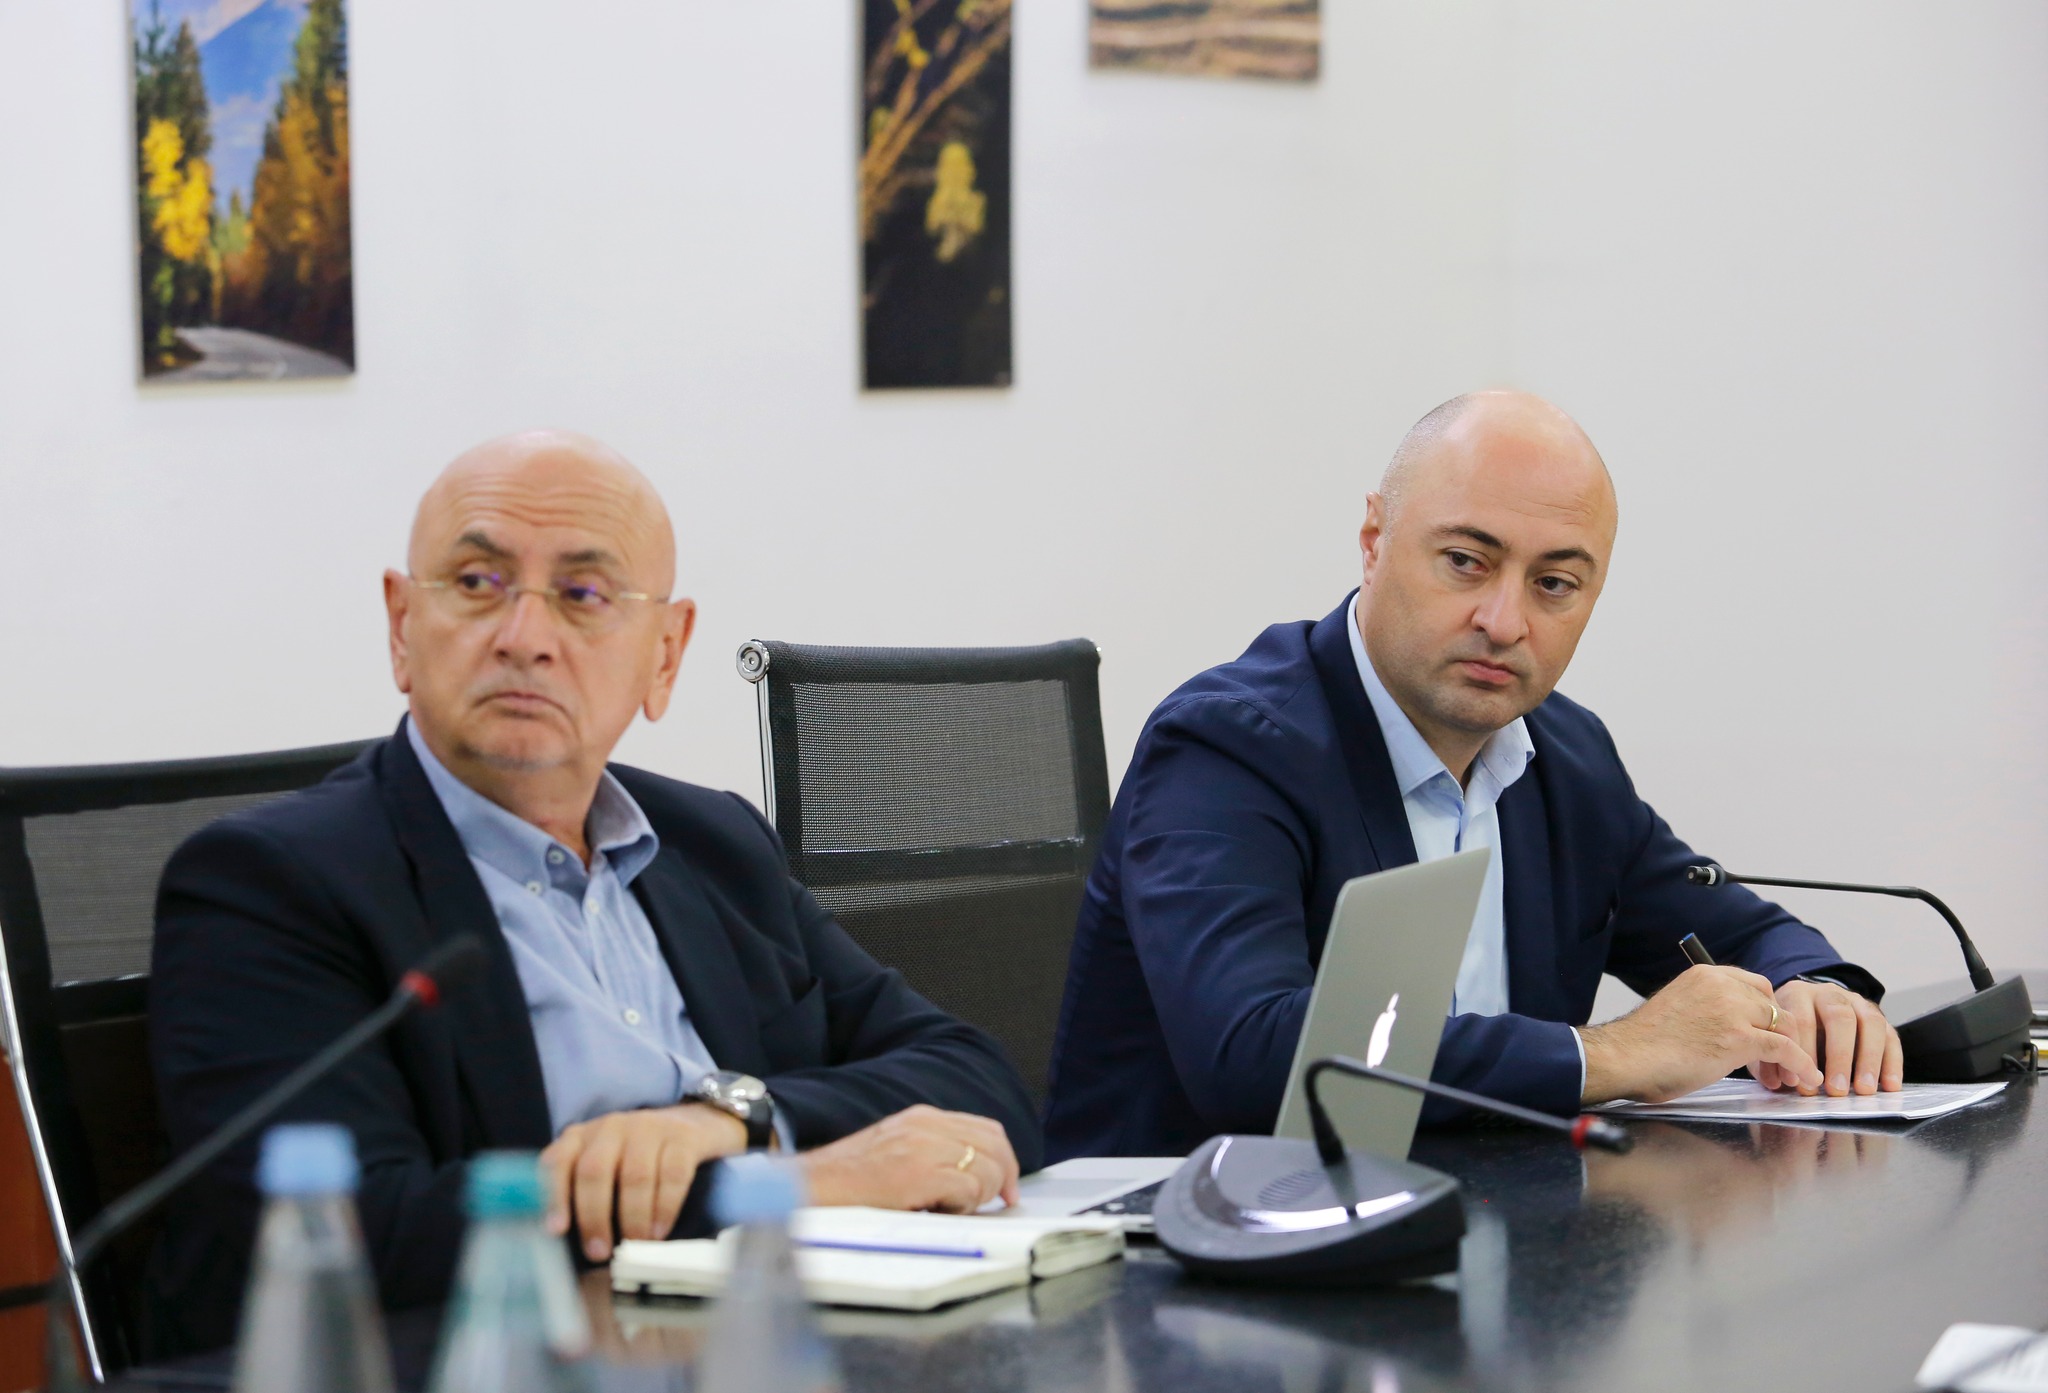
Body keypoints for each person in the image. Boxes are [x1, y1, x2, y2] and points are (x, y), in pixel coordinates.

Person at [148, 431, 1042, 1354]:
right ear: (400, 626)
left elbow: (978, 1079)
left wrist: (730, 1122)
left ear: (665, 654)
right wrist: (795, 1184)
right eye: (477, 582)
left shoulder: (714, 843)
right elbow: (364, 1234)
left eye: (583, 595)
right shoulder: (269, 883)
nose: (524, 639)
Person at [1041, 391, 1903, 1161]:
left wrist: (1815, 992)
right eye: (1465, 561)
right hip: (1199, 1249)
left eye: (1554, 583)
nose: (1504, 620)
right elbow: (1260, 1056)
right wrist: (1610, 1054)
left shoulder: (1566, 755)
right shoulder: (1228, 747)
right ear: (1374, 542)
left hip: (1488, 1223)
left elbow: (1733, 930)